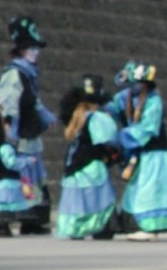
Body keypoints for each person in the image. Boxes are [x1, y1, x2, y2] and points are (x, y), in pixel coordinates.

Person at [0, 14, 54, 235]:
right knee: (11, 176)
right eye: (31, 48)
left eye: (35, 48)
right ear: (21, 50)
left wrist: (46, 119)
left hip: (29, 134)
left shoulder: (28, 74)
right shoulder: (14, 74)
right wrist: (7, 129)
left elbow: (34, 103)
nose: (35, 52)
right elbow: (8, 104)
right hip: (17, 136)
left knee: (30, 175)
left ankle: (32, 218)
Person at [111, 61, 167, 238]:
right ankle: (135, 226)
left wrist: (122, 137)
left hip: (154, 156)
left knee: (149, 193)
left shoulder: (153, 101)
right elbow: (111, 107)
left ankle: (149, 228)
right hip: (139, 156)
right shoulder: (125, 97)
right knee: (134, 192)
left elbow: (148, 129)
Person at [51, 75, 121, 239]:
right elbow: (109, 139)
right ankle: (100, 226)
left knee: (77, 197)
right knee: (99, 196)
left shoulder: (76, 119)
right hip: (91, 163)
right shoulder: (97, 118)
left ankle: (75, 227)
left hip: (73, 165)